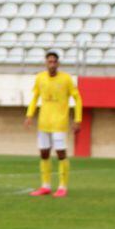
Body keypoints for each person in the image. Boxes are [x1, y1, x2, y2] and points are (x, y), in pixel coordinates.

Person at [25, 51, 82, 198]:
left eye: (54, 62)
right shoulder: (40, 78)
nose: (51, 64)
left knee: (61, 154)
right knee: (44, 153)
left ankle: (62, 186)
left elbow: (78, 99)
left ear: (58, 63)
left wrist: (78, 119)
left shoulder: (66, 79)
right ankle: (46, 186)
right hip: (44, 121)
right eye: (49, 62)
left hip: (59, 122)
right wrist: (29, 115)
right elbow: (35, 97)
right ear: (45, 63)